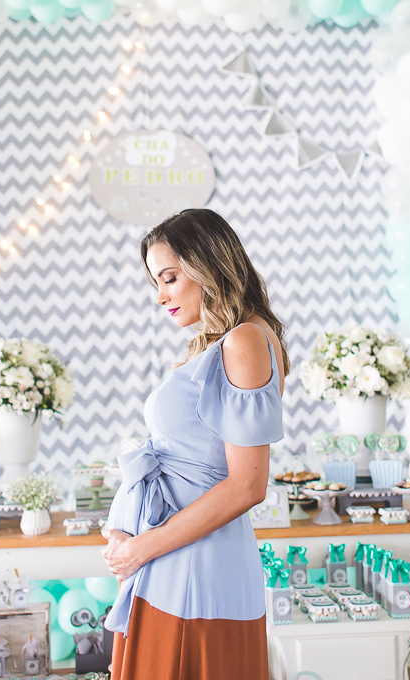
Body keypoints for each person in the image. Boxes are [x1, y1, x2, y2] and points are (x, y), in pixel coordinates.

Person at [101, 208, 290, 680]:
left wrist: (141, 549)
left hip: (194, 571)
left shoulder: (244, 340)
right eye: (155, 283)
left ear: (208, 265)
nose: (160, 295)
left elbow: (247, 485)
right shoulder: (226, 340)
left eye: (168, 277)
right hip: (176, 561)